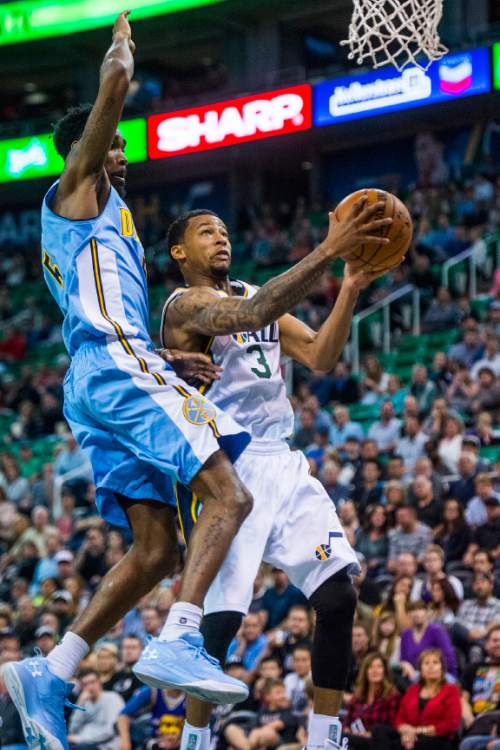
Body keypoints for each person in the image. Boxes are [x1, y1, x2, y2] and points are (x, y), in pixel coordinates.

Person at [5, 15, 394, 747]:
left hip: (114, 375)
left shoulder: (115, 222)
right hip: (119, 370)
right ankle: (180, 651)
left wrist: (161, 358)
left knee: (155, 553)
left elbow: (304, 350)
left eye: (119, 144)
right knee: (229, 500)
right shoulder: (79, 189)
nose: (119, 151)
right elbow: (114, 88)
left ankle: (51, 673)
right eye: (109, 142)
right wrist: (121, 43)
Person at [161, 204, 397, 750]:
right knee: (217, 629)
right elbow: (250, 313)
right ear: (180, 253)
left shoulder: (255, 294)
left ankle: (324, 737)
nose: (220, 238)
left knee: (339, 596)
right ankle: (196, 741)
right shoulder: (185, 306)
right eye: (205, 232)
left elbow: (319, 355)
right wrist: (328, 250)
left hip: (283, 462)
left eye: (224, 229)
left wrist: (352, 286)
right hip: (224, 468)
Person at [374, 649, 461, 750]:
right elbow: (399, 719)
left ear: (442, 668)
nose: (431, 666)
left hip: (438, 737)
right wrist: (406, 731)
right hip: (410, 735)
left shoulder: (451, 690)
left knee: (403, 745)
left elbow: (451, 724)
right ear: (420, 669)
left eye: (435, 662)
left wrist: (417, 731)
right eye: (426, 663)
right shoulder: (412, 690)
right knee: (378, 730)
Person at [343, 653, 400, 750]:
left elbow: (393, 725)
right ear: (365, 671)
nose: (375, 671)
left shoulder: (392, 696)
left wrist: (369, 734)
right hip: (355, 738)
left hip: (377, 741)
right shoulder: (358, 696)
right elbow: (347, 720)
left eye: (379, 667)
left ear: (384, 671)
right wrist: (347, 729)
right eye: (371, 667)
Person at [67, 668, 124, 750]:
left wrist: (78, 739)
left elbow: (110, 731)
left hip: (106, 745)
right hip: (84, 743)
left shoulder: (113, 698)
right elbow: (73, 729)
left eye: (93, 682)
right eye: (85, 684)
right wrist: (80, 703)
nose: (90, 687)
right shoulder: (84, 702)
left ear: (99, 682)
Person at [399, 601, 457, 679]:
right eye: (412, 610)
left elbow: (449, 659)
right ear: (408, 614)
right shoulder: (405, 634)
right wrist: (405, 665)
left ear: (426, 613)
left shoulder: (437, 631)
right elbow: (403, 659)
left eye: (420, 609)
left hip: (441, 675)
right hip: (413, 675)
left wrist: (428, 671)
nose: (416, 613)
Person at [433, 498, 472, 564]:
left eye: (453, 509)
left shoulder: (465, 529)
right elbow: (436, 546)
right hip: (439, 561)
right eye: (448, 509)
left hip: (456, 560)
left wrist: (444, 558)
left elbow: (461, 549)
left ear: (459, 512)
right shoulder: (441, 530)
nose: (450, 512)